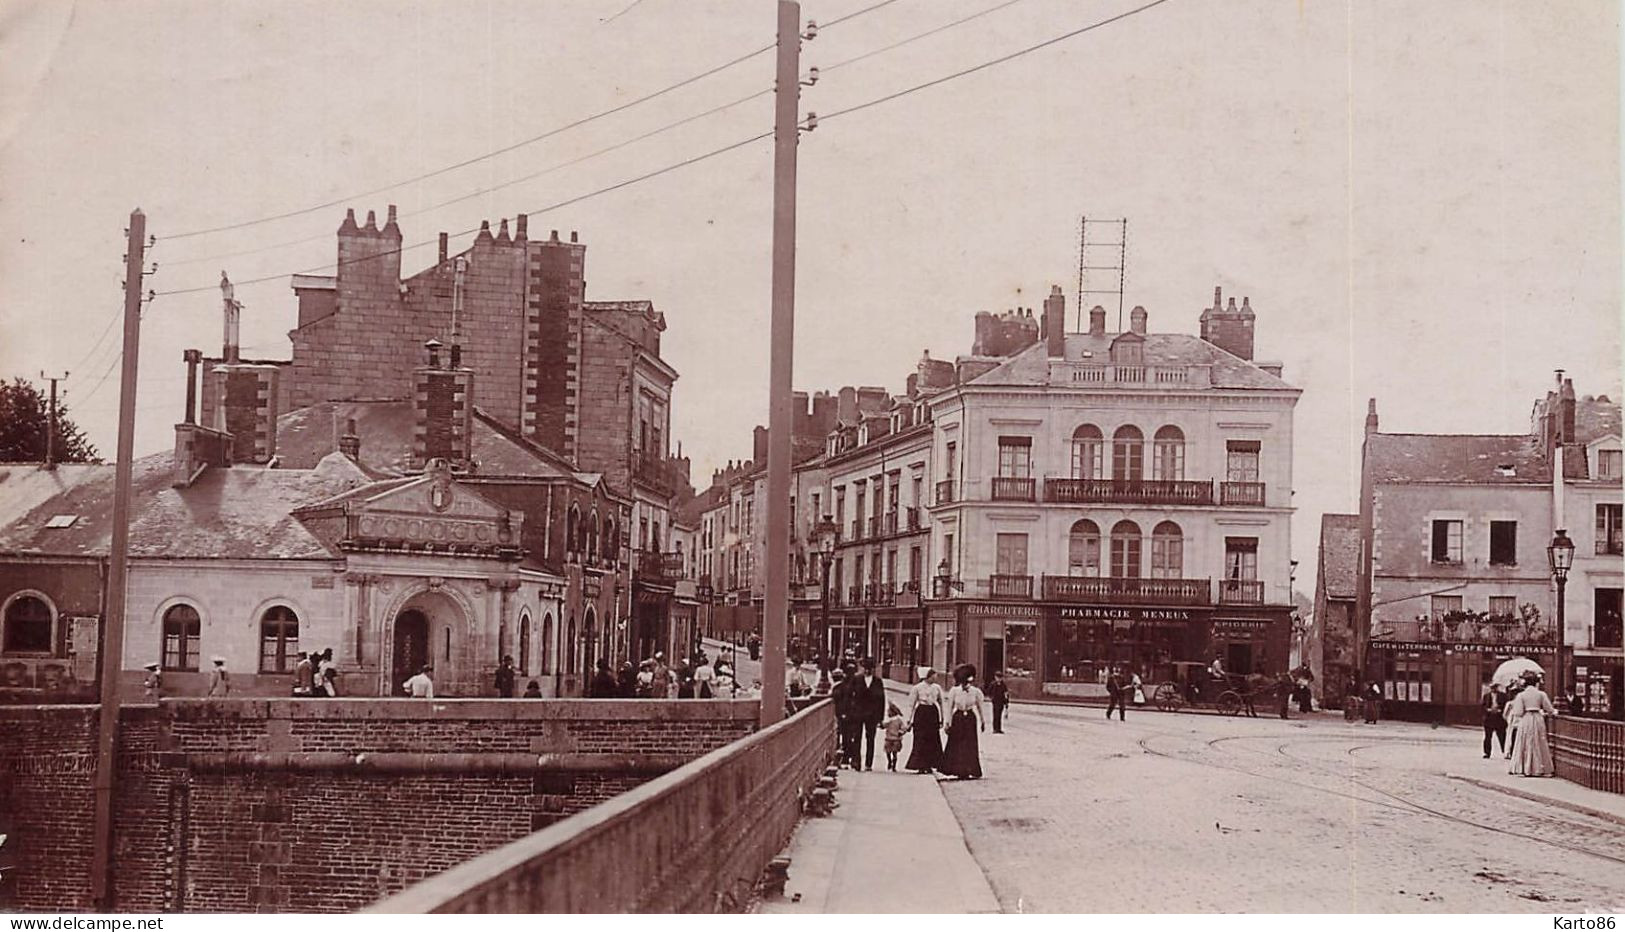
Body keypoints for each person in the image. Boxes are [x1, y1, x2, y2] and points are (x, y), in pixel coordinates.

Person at [940, 664, 986, 780]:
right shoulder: (954, 691)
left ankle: (970, 769)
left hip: (970, 718)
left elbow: (980, 706)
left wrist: (982, 721)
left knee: (969, 744)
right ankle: (957, 769)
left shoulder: (976, 692)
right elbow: (949, 708)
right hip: (958, 718)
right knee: (957, 743)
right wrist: (947, 723)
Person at [1507, 674, 1556, 777]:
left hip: (1526, 719)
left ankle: (1525, 767)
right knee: (1539, 742)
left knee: (1525, 742)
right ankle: (1539, 767)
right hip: (1538, 718)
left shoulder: (1521, 695)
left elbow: (1518, 712)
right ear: (1536, 683)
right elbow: (1549, 709)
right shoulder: (1541, 694)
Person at [904, 667, 947, 774]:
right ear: (927, 676)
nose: (935, 677)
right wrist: (908, 719)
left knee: (932, 739)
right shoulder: (917, 688)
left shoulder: (937, 688)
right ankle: (920, 764)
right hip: (921, 713)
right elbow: (911, 704)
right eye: (933, 675)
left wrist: (942, 717)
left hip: (932, 713)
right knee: (920, 738)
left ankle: (930, 764)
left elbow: (942, 703)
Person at [854, 657, 888, 770]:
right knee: (857, 737)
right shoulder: (857, 679)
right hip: (858, 714)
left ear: (873, 669)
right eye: (866, 668)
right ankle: (857, 762)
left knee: (871, 739)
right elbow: (852, 697)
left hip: (872, 715)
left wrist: (880, 718)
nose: (867, 670)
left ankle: (869, 764)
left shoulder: (878, 682)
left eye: (870, 668)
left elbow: (881, 700)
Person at [832, 663, 863, 769]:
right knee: (849, 737)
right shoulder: (847, 685)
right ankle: (850, 758)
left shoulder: (850, 684)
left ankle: (851, 759)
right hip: (849, 715)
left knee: (849, 737)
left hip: (852, 715)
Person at [1482, 684, 1508, 759]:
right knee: (1488, 736)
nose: (1493, 689)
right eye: (1491, 687)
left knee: (1502, 736)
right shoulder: (1486, 696)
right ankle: (1487, 753)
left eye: (1494, 687)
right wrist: (1487, 709)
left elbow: (1506, 705)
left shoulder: (1503, 696)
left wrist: (1501, 710)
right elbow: (1483, 706)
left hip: (1499, 718)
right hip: (1489, 718)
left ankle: (1505, 751)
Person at [881, 703, 909, 771]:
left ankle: (892, 764)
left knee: (892, 752)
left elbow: (903, 728)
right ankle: (891, 762)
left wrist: (901, 732)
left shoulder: (897, 721)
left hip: (894, 739)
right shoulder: (890, 721)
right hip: (891, 738)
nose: (887, 713)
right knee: (891, 752)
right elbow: (884, 726)